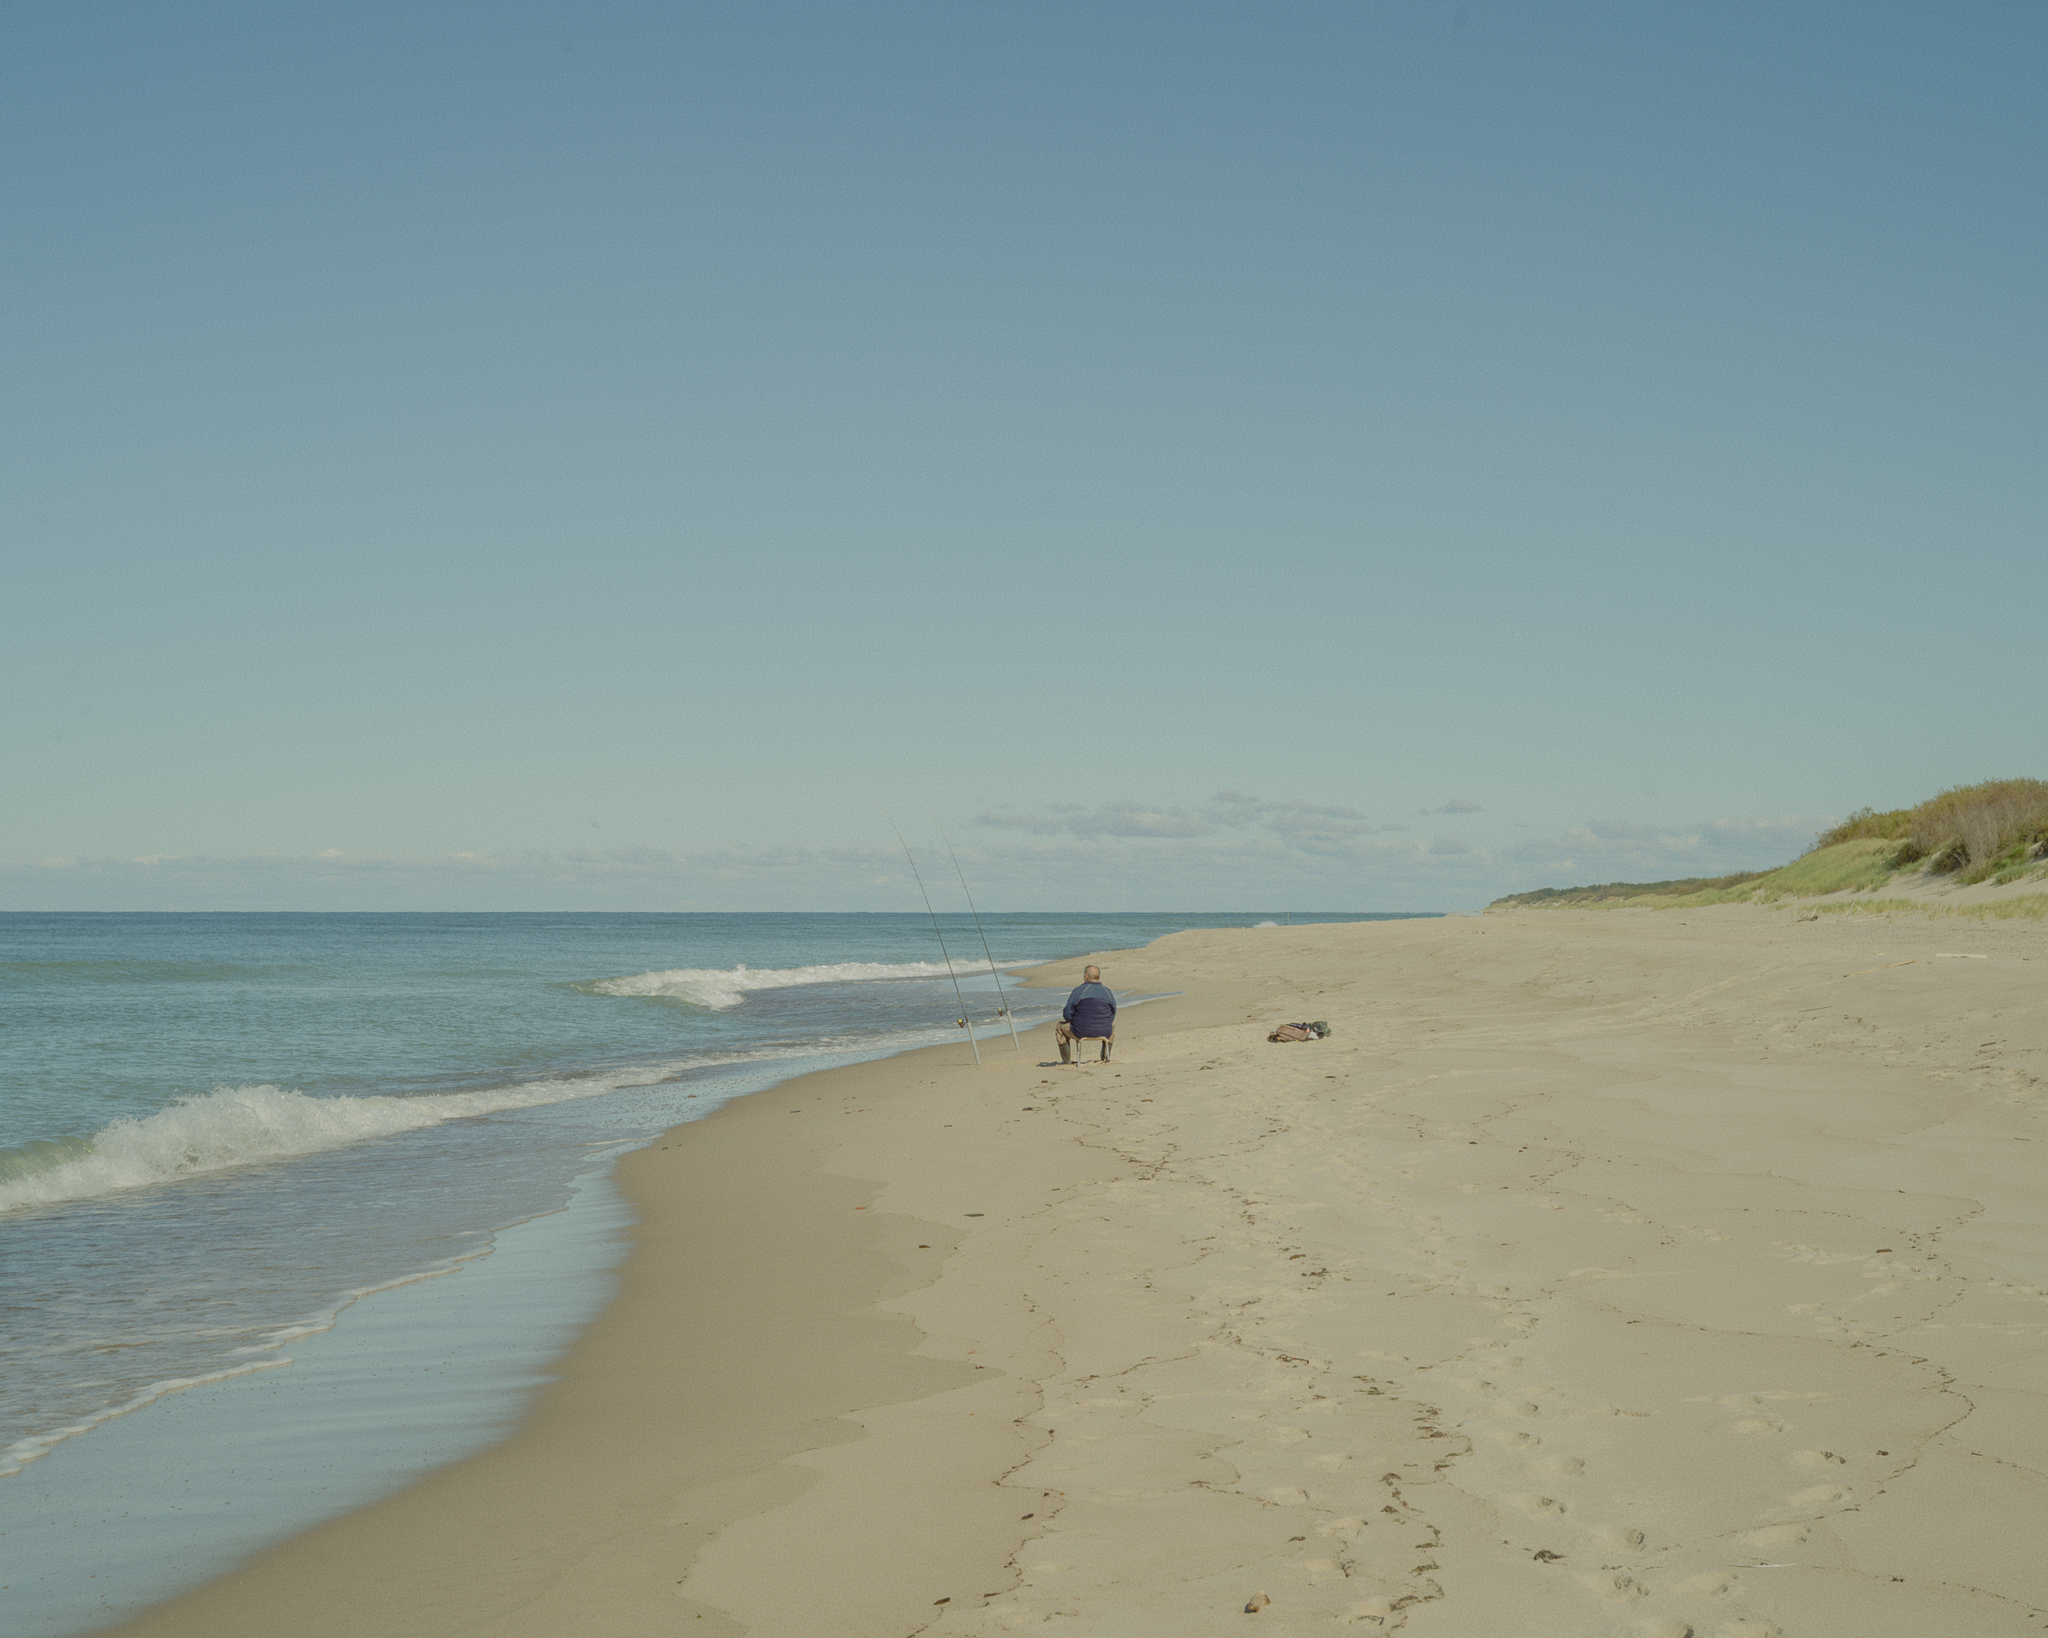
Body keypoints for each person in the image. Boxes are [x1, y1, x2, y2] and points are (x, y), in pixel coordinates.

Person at [1056, 965, 1116, 1063]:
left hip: (1079, 1031)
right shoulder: (1107, 991)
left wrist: (1073, 1022)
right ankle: (1105, 1057)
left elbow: (1067, 1013)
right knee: (1112, 1026)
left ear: (1086, 976)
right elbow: (1113, 1014)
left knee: (1059, 1027)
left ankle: (1066, 1061)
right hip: (1104, 1031)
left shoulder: (1079, 991)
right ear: (1098, 976)